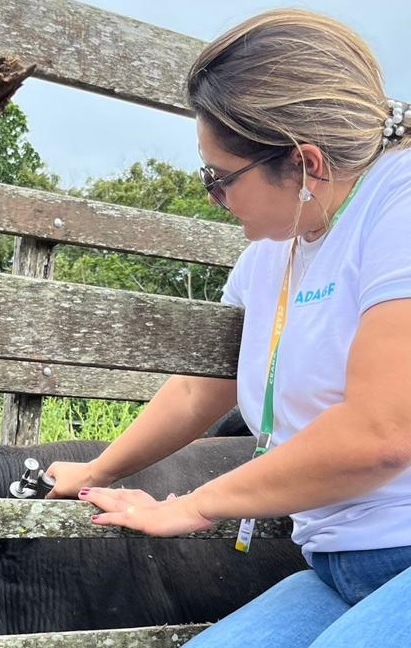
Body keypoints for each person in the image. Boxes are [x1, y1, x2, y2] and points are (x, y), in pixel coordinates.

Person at [45, 9, 411, 647]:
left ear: (305, 165)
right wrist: (98, 468)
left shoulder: (398, 206)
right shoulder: (273, 250)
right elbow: (198, 391)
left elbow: (381, 433)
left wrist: (191, 505)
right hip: (337, 566)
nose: (213, 197)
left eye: (219, 179)